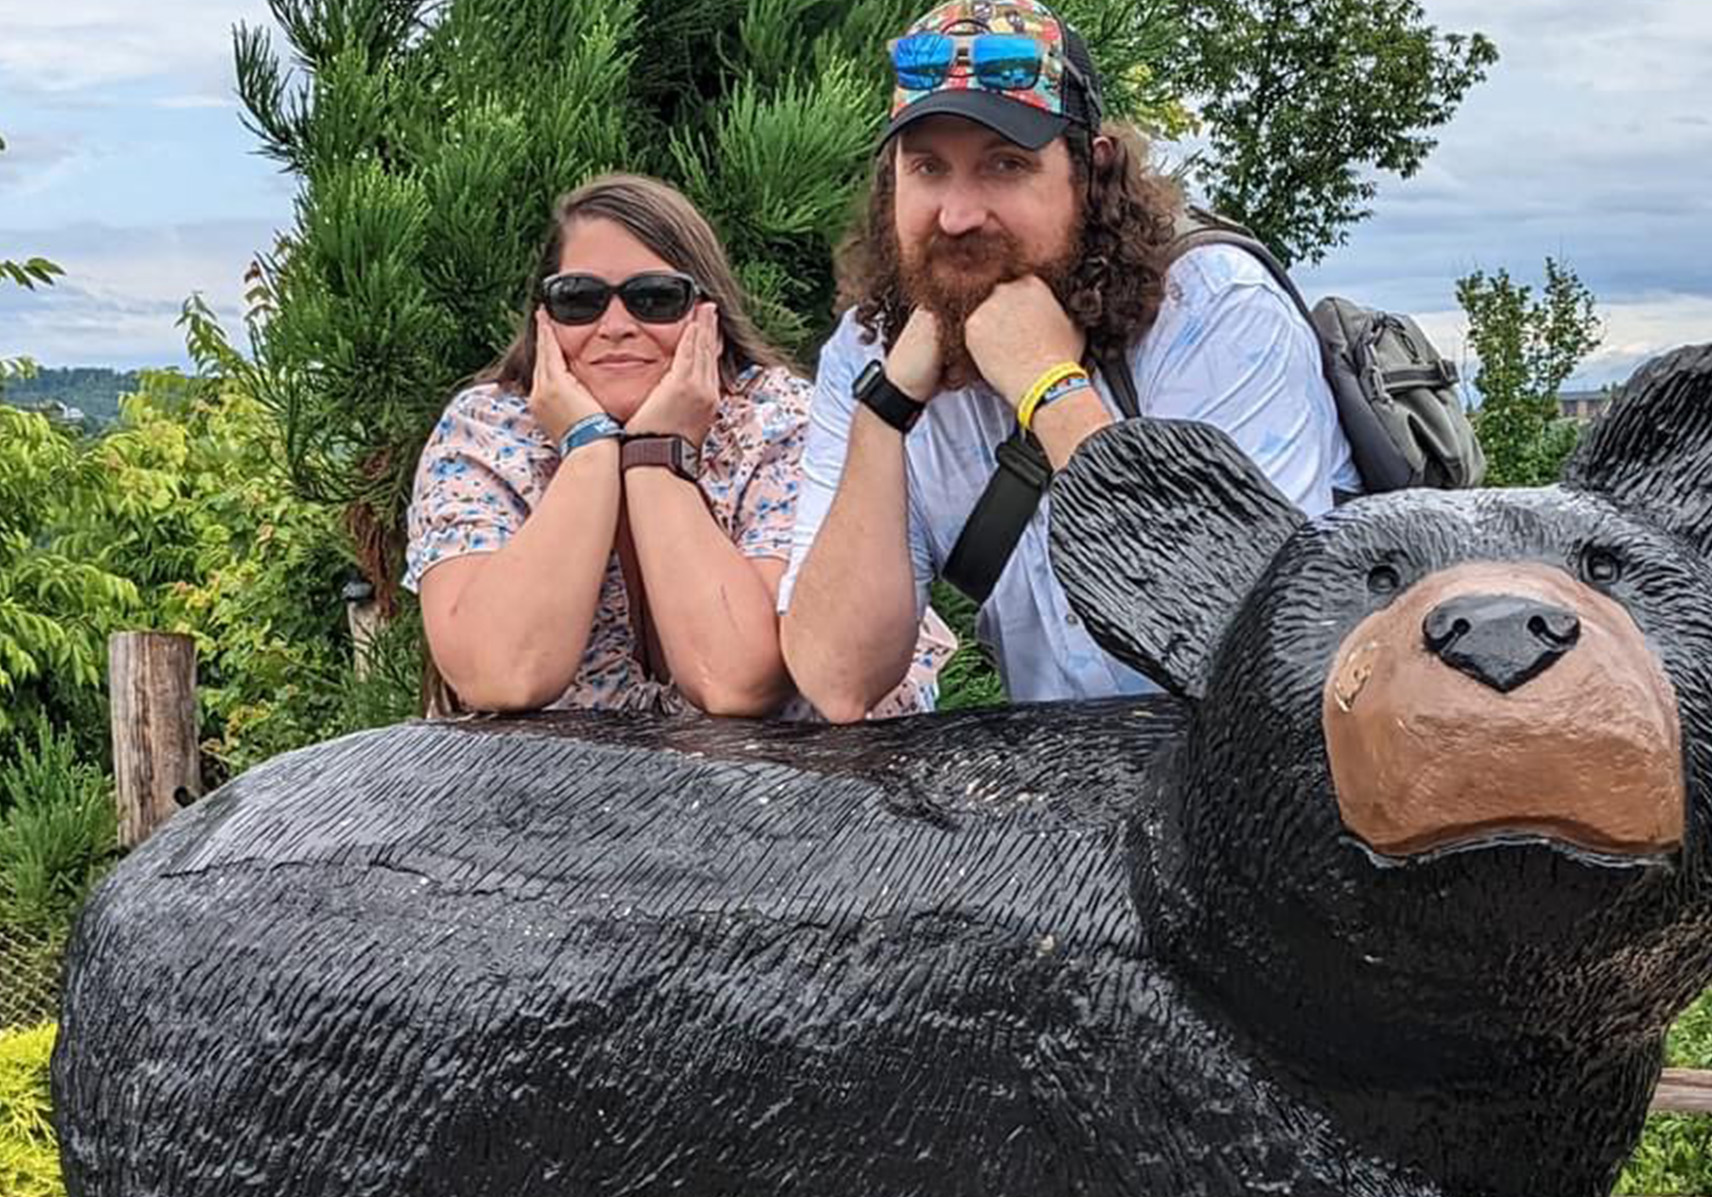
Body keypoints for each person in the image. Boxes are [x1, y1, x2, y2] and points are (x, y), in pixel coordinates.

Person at [779, 0, 1360, 722]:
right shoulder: (870, 350)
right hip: (1066, 778)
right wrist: (887, 409)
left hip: (1268, 765)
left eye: (1005, 165)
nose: (957, 216)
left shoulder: (1215, 311)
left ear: (1091, 172)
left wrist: (1051, 389)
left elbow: (1257, 652)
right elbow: (837, 678)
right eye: (927, 167)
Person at [405, 173, 952, 718]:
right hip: (550, 776)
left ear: (707, 313)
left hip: (799, 771)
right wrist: (589, 447)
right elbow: (504, 674)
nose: (615, 325)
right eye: (580, 300)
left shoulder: (779, 423)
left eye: (654, 298)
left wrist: (655, 454)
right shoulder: (484, 432)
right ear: (543, 319)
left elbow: (738, 683)